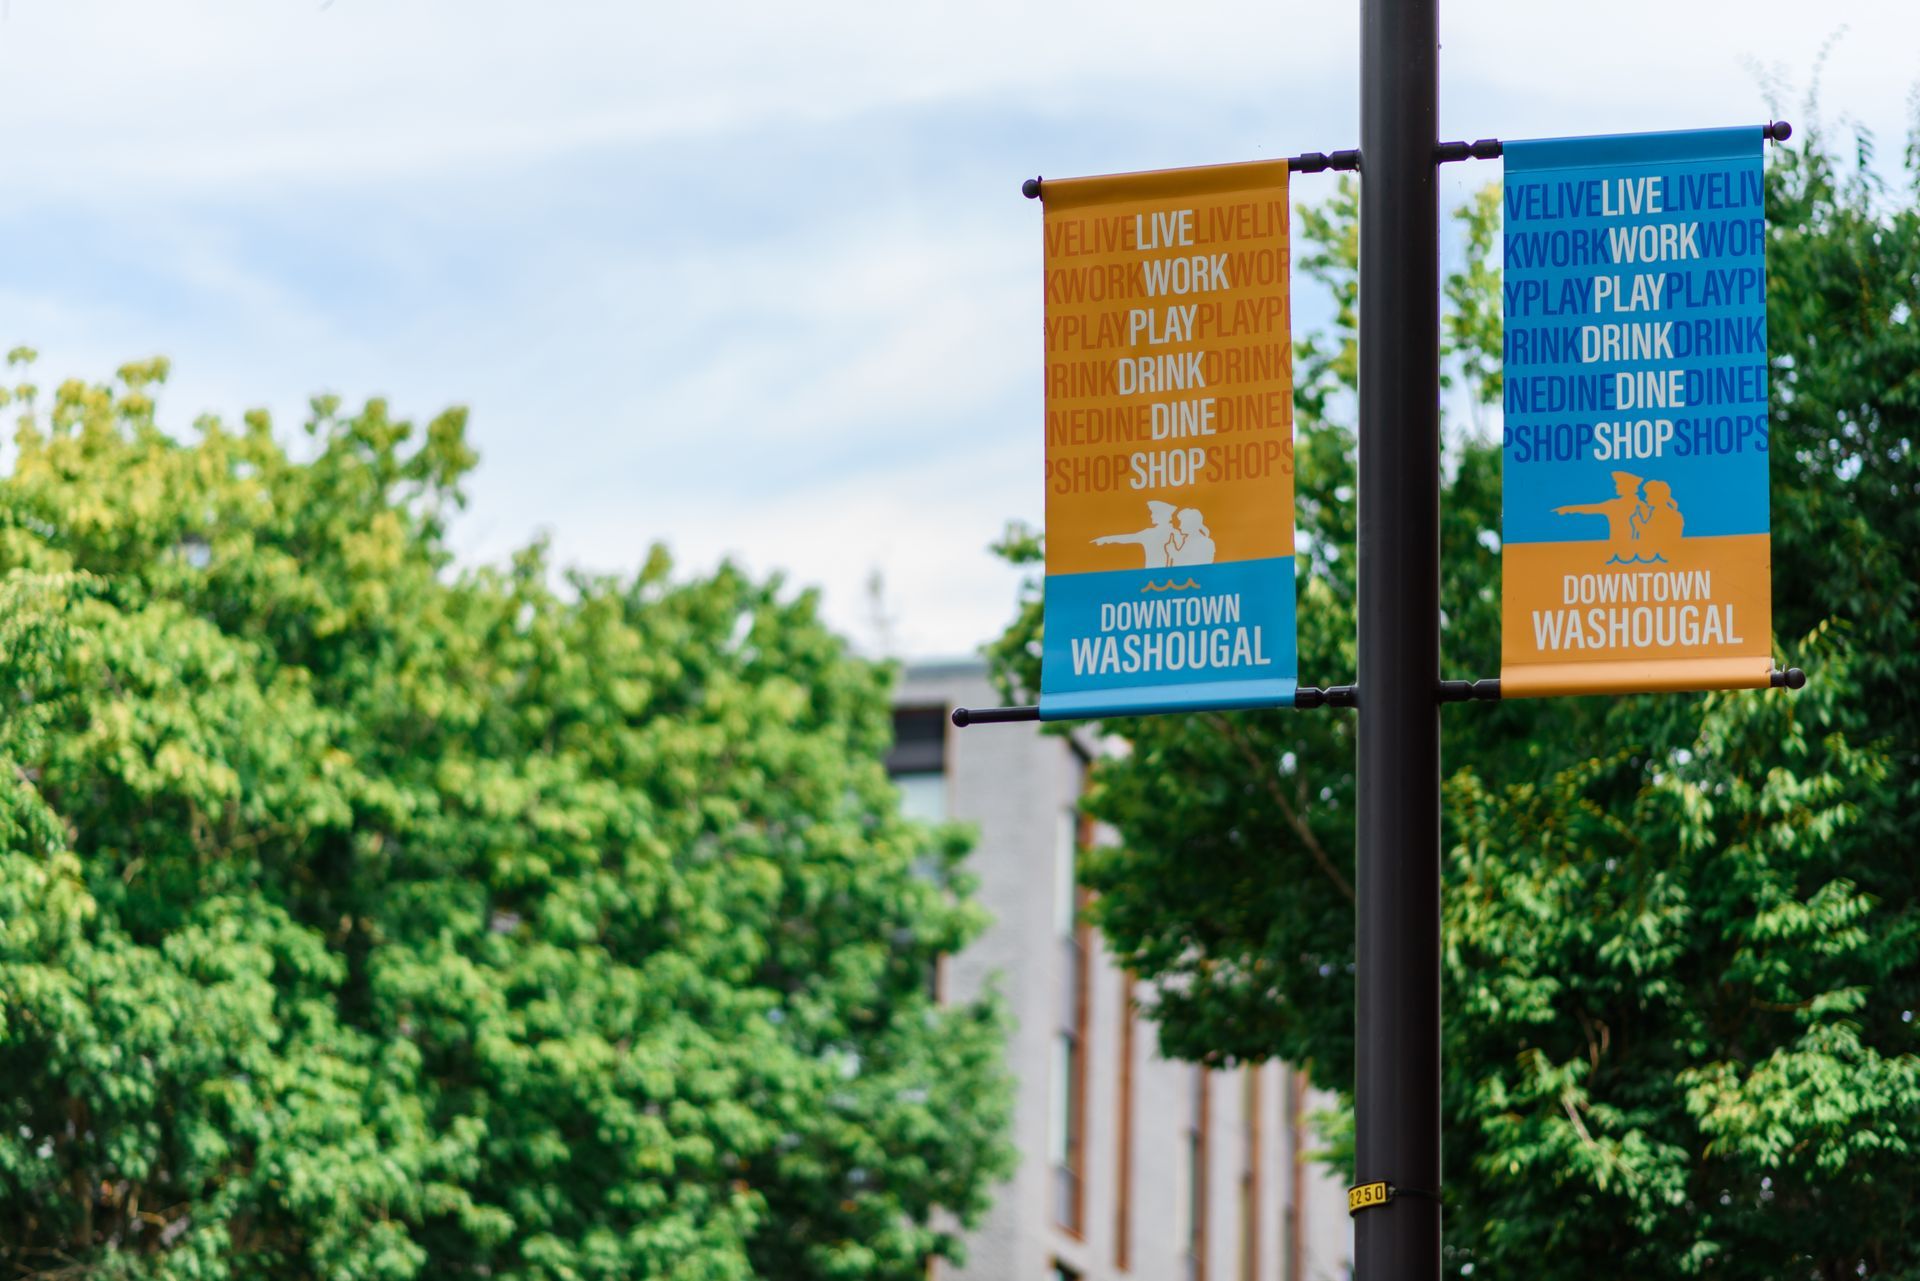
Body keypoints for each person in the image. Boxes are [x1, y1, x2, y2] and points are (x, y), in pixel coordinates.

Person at [1554, 470, 1644, 560]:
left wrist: (1568, 509)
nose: (1616, 487)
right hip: (1633, 550)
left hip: (1623, 549)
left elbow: (1590, 509)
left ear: (1627, 487)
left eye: (1618, 484)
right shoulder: (1642, 505)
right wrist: (1568, 509)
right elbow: (1590, 508)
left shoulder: (1615, 505)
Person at [1093, 500, 1179, 568]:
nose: (1151, 516)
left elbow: (1127, 538)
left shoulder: (1150, 533)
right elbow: (1127, 538)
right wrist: (1106, 539)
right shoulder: (1176, 532)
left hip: (1155, 576)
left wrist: (1106, 539)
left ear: (1162, 516)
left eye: (1154, 513)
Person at [1632, 479, 1684, 561]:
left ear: (1656, 496)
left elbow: (1651, 537)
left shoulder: (1668, 515)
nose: (1646, 499)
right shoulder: (1657, 513)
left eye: (1648, 495)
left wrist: (1637, 522)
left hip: (1665, 559)